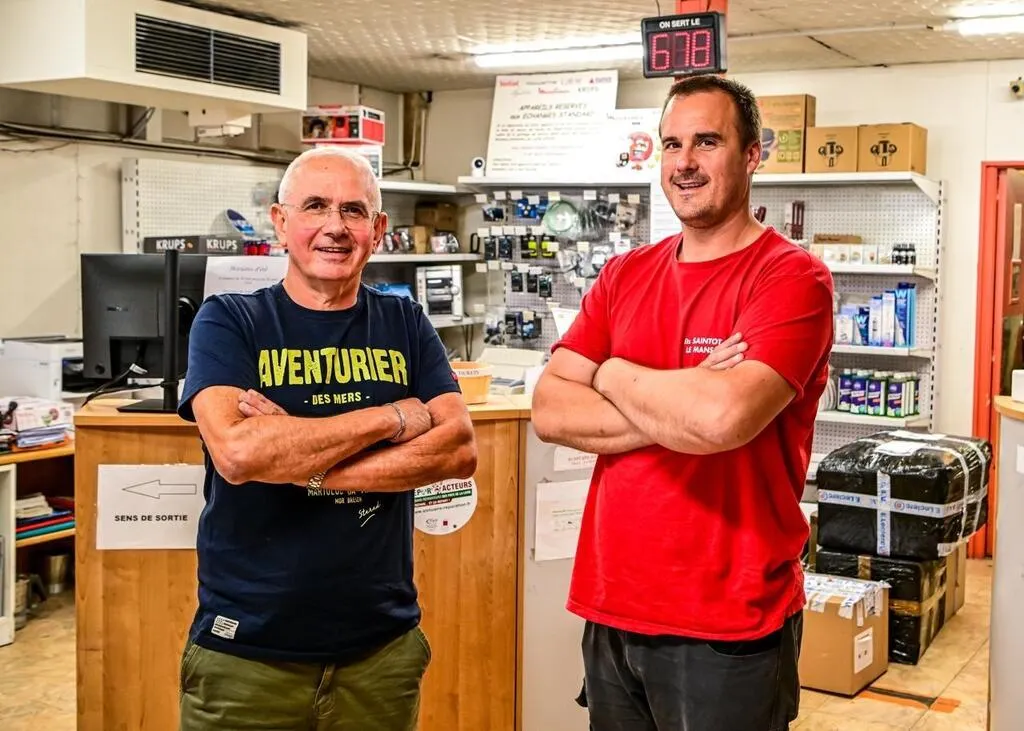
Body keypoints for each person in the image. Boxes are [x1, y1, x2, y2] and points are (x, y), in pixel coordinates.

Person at [532, 75, 835, 731]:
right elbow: (551, 409)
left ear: (752, 154)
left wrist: (610, 371)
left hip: (728, 619)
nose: (685, 162)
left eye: (707, 142)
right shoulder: (623, 274)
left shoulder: (791, 278)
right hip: (614, 604)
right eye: (672, 144)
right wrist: (684, 395)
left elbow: (722, 419)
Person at [175, 146, 478, 731]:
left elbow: (458, 448)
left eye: (353, 210)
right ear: (281, 221)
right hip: (247, 652)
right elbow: (238, 453)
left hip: (381, 651)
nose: (335, 227)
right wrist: (388, 418)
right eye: (315, 206)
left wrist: (302, 465)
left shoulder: (405, 323)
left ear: (378, 230)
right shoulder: (229, 320)